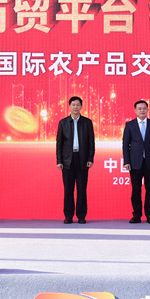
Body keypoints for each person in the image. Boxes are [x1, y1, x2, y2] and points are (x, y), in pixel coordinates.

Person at [56, 96, 95, 224]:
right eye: (73, 105)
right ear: (69, 106)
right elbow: (59, 143)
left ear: (81, 106)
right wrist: (59, 160)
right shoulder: (63, 123)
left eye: (78, 105)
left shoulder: (87, 122)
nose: (75, 107)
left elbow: (91, 142)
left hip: (82, 159)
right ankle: (68, 216)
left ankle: (81, 216)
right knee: (68, 190)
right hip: (68, 160)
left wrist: (90, 158)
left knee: (82, 189)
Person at [122, 100, 150, 224]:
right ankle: (136, 215)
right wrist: (127, 161)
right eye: (139, 108)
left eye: (144, 108)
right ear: (135, 110)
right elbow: (125, 145)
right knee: (136, 190)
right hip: (135, 162)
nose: (142, 110)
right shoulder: (130, 125)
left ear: (147, 109)